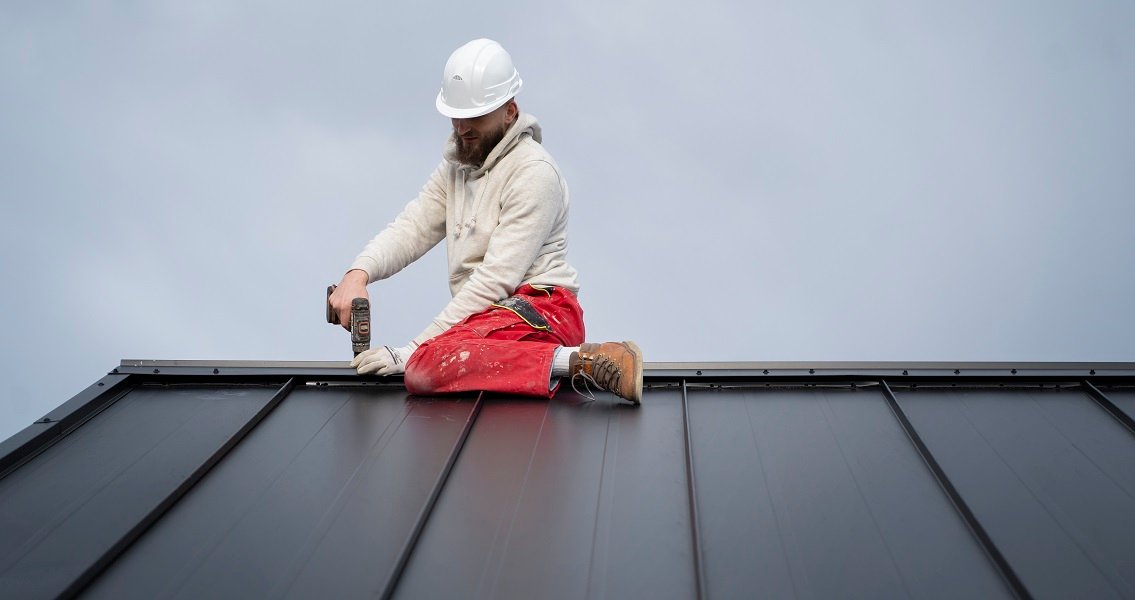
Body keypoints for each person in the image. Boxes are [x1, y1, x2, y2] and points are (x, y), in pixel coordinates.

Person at [328, 38, 643, 404]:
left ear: (510, 111)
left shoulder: (534, 173)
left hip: (541, 311)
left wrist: (412, 349)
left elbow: (496, 279)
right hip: (490, 319)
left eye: (475, 116)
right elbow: (411, 228)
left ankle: (585, 362)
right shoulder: (457, 168)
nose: (462, 128)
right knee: (431, 360)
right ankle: (557, 364)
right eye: (455, 115)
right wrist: (357, 275)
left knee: (426, 365)